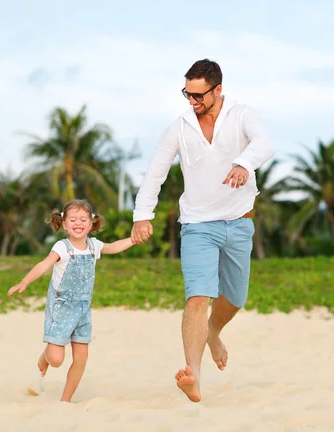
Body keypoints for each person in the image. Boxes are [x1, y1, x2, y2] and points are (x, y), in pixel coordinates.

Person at [130, 59, 275, 402]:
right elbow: (155, 172)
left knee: (235, 299)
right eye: (187, 94)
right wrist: (141, 215)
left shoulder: (241, 115)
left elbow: (264, 143)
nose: (191, 101)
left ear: (217, 89)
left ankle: (213, 331)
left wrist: (244, 163)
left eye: (198, 95)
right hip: (197, 225)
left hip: (239, 222)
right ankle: (192, 375)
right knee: (197, 297)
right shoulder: (179, 127)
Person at [7, 199, 134, 403]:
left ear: (91, 223)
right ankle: (44, 360)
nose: (78, 223)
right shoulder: (62, 247)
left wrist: (133, 239)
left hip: (83, 310)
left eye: (83, 219)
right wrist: (25, 281)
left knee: (81, 358)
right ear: (64, 224)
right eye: (73, 219)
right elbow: (44, 265)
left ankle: (65, 401)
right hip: (62, 308)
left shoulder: (94, 246)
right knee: (56, 360)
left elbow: (114, 247)